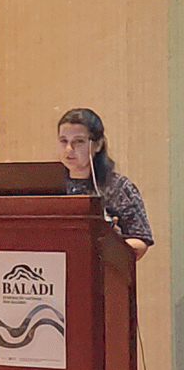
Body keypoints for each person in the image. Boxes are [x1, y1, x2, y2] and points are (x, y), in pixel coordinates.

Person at [57, 108, 153, 259]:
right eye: (64, 141)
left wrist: (114, 243)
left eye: (78, 141)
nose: (69, 149)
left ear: (98, 145)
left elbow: (140, 240)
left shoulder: (118, 187)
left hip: (100, 268)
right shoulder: (49, 186)